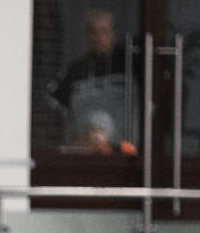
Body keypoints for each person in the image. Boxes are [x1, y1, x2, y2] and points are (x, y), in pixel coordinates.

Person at [49, 9, 136, 149]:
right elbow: (54, 105)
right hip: (86, 154)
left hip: (123, 155)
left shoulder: (130, 67)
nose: (98, 37)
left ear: (113, 35)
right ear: (86, 37)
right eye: (93, 32)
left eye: (104, 31)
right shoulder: (75, 71)